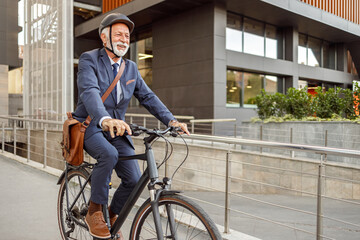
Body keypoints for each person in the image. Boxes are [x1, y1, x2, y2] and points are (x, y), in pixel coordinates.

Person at [72, 13, 189, 239]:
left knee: (134, 180)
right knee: (108, 154)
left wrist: (171, 120)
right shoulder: (90, 59)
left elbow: (148, 97)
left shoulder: (131, 68)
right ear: (104, 38)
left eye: (127, 36)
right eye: (118, 34)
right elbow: (89, 91)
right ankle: (94, 211)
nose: (124, 39)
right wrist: (105, 118)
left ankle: (111, 213)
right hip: (92, 126)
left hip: (118, 129)